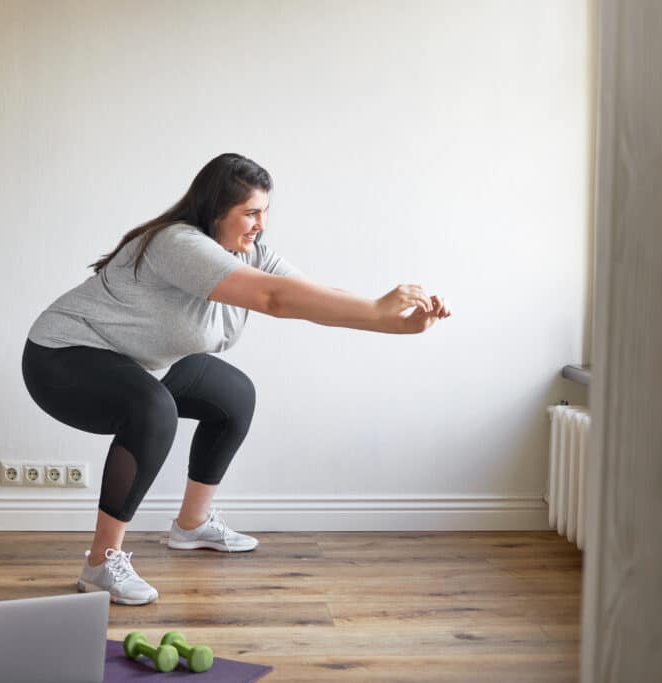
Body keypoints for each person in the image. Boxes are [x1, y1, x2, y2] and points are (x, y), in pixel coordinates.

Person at [23, 153, 451, 605]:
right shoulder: (179, 244)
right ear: (215, 211)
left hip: (138, 360)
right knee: (152, 409)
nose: (260, 224)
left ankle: (191, 525)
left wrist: (393, 323)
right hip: (63, 357)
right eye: (250, 213)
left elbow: (312, 298)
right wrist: (377, 311)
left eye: (264, 212)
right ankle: (99, 564)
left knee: (234, 396)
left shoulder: (251, 253)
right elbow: (274, 299)